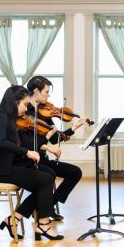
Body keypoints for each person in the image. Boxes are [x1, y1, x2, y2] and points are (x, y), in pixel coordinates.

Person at [0, 85, 63, 241]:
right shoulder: (0, 119)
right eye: (24, 104)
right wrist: (26, 152)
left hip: (7, 167)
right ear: (14, 102)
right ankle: (43, 224)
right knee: (45, 180)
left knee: (48, 175)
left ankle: (14, 219)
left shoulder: (9, 120)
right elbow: (1, 142)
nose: (26, 109)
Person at [15, 76, 88, 221]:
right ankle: (44, 209)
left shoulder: (43, 111)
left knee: (75, 172)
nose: (48, 96)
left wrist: (74, 127)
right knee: (50, 175)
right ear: (36, 91)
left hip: (42, 159)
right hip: (29, 160)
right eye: (46, 92)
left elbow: (55, 138)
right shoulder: (23, 111)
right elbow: (25, 143)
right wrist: (48, 148)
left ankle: (47, 206)